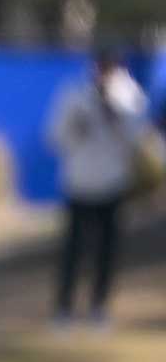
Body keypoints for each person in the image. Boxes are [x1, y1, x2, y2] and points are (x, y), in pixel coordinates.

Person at [45, 47, 147, 330]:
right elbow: (54, 137)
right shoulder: (73, 95)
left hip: (112, 183)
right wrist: (75, 128)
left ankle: (98, 308)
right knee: (73, 251)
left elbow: (138, 140)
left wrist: (116, 119)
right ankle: (63, 309)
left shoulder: (128, 97)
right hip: (79, 183)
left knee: (107, 251)